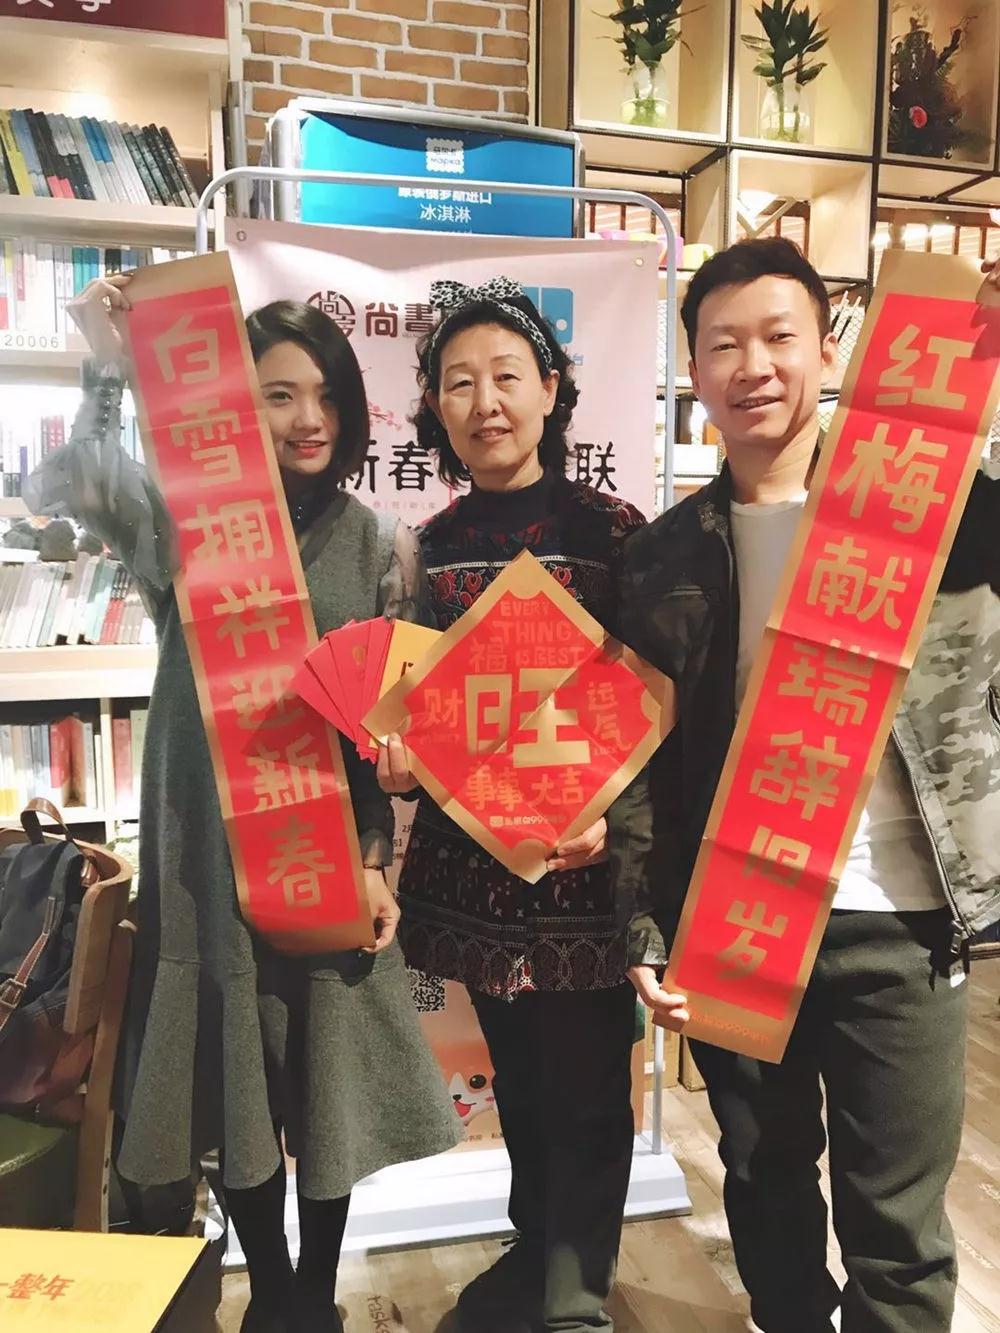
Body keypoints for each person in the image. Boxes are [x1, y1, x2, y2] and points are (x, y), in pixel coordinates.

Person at [25, 274, 459, 1333]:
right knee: (235, 1072)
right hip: (203, 851)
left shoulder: (376, 544)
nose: (309, 418)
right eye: (277, 394)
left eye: (326, 395)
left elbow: (372, 735)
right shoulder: (187, 527)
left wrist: (373, 857)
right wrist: (108, 364)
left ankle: (314, 1288)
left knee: (324, 1078)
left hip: (321, 846)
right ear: (230, 406)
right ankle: (272, 1286)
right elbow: (83, 484)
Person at [615, 236, 1000, 1333]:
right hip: (740, 916)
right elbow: (646, 766)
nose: (754, 366)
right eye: (723, 344)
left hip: (903, 920)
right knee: (765, 1191)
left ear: (830, 352)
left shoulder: (952, 515)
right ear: (693, 370)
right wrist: (648, 926)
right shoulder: (663, 555)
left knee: (899, 1234)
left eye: (779, 336)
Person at [376, 276, 646, 1333]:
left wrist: (617, 819)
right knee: (522, 1086)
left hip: (584, 873)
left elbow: (657, 698)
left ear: (551, 388)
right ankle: (535, 1254)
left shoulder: (615, 530)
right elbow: (408, 698)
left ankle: (576, 1299)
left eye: (505, 376)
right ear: (434, 407)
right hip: (477, 870)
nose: (485, 402)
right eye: (459, 382)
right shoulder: (428, 543)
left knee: (590, 1091)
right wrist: (399, 755)